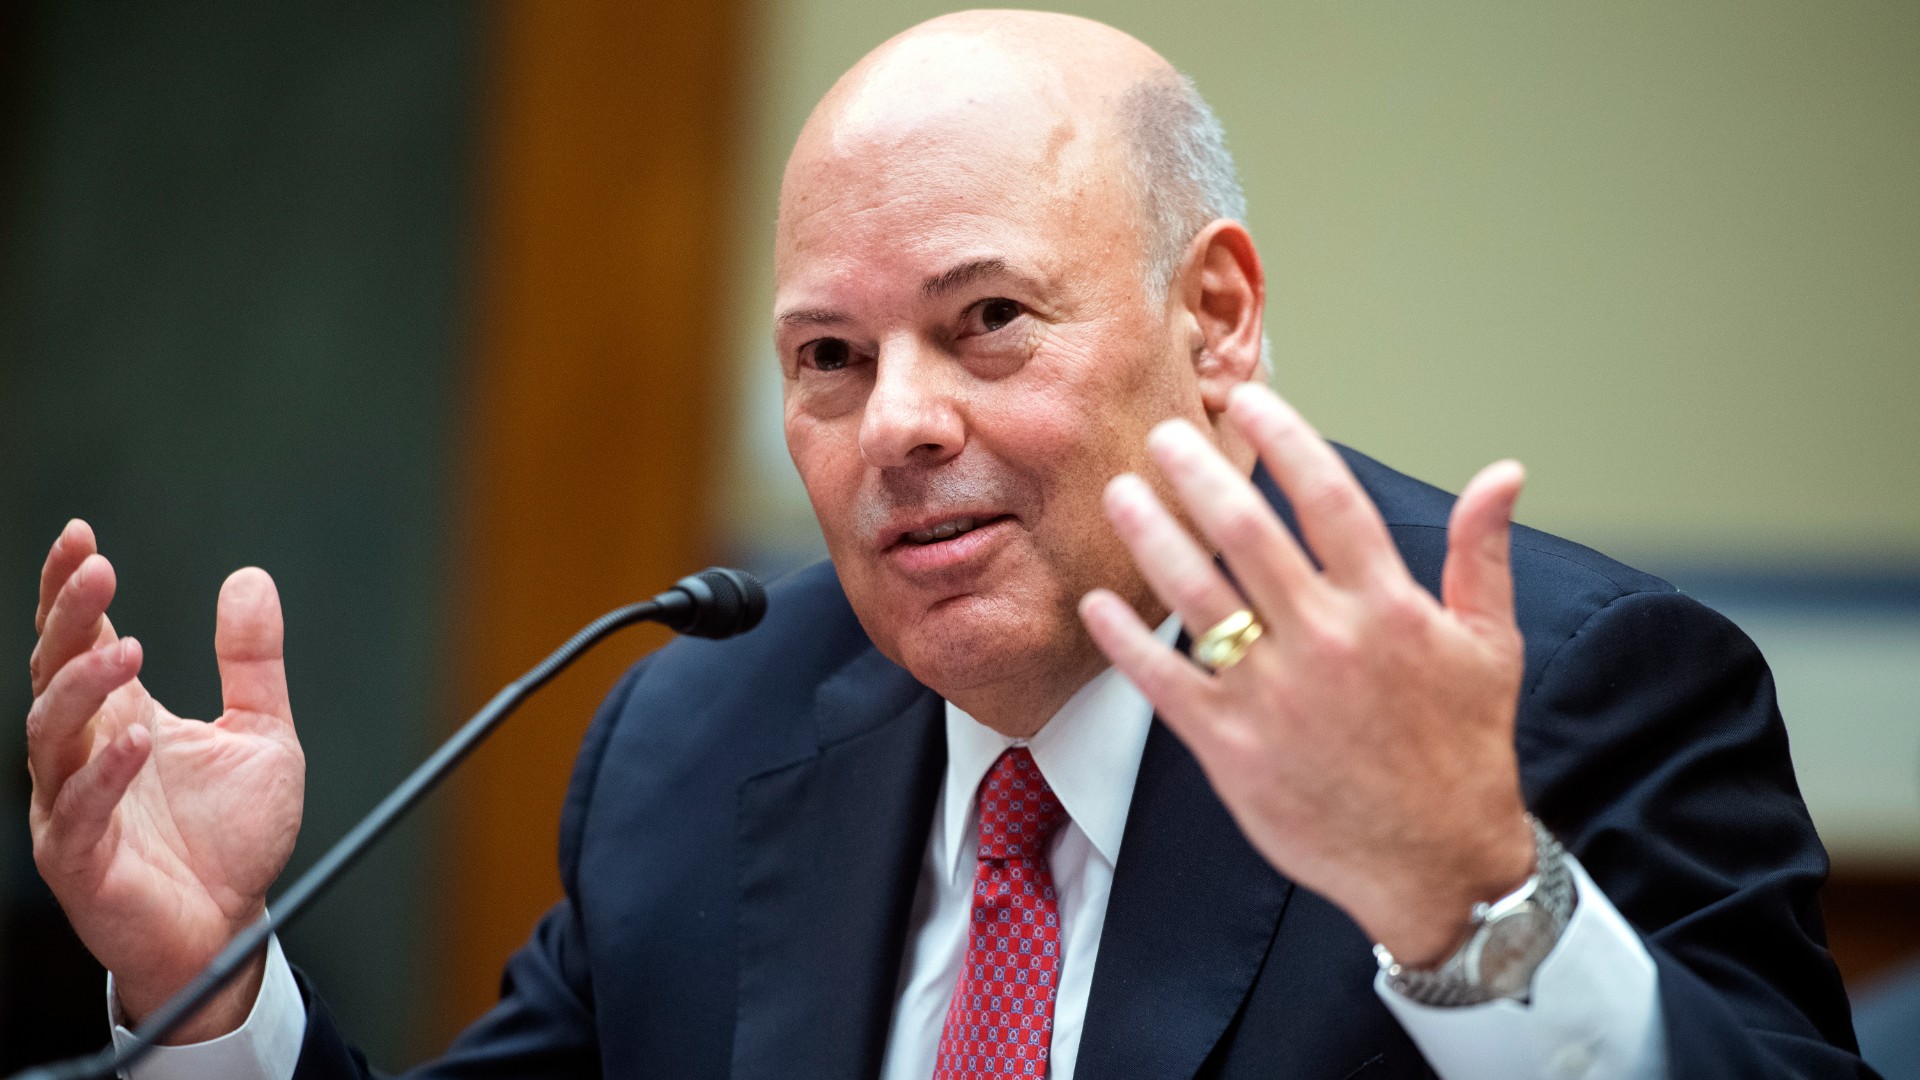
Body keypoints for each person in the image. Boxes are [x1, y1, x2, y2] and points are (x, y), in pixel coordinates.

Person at [22, 11, 1869, 1079]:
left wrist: (1476, 906)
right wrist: (215, 993)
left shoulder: (1560, 692)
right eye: (829, 358)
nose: (897, 422)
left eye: (988, 321)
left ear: (1215, 320)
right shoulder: (701, 738)